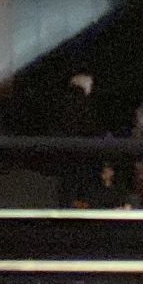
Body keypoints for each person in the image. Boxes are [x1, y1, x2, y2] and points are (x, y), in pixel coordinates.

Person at [53, 72, 98, 207]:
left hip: (68, 154)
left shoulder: (63, 104)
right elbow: (88, 128)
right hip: (79, 153)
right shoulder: (82, 105)